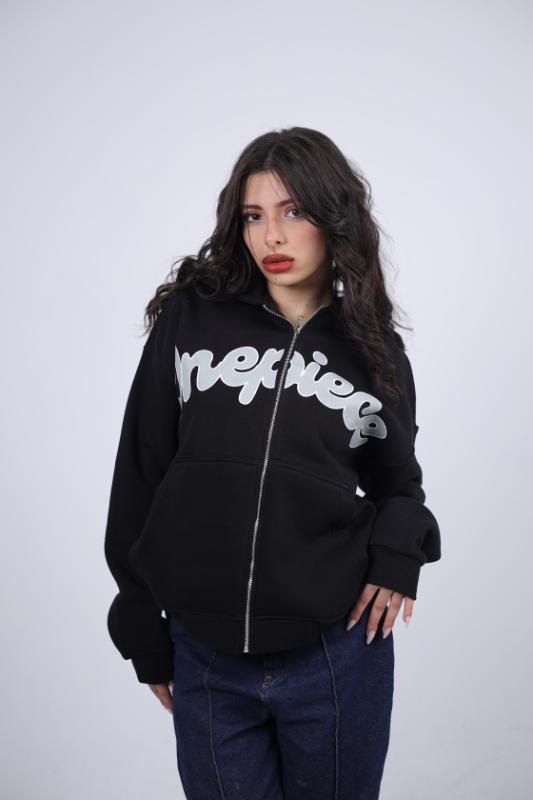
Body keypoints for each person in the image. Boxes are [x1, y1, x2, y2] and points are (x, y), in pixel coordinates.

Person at [104, 126, 442, 799]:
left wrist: (396, 559)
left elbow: (399, 485)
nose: (272, 237)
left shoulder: (375, 352)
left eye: (293, 211)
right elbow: (141, 467)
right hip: (205, 657)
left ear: (334, 217)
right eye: (253, 216)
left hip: (335, 654)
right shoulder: (191, 321)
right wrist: (139, 615)